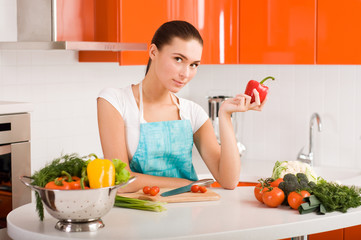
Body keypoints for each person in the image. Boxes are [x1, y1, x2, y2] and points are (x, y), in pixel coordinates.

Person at [97, 20, 266, 192]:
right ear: (153, 52)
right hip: (135, 215)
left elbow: (229, 181)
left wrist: (225, 115)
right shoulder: (115, 101)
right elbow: (122, 181)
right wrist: (188, 184)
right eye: (178, 59)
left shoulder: (192, 113)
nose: (185, 73)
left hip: (187, 212)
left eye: (194, 65)